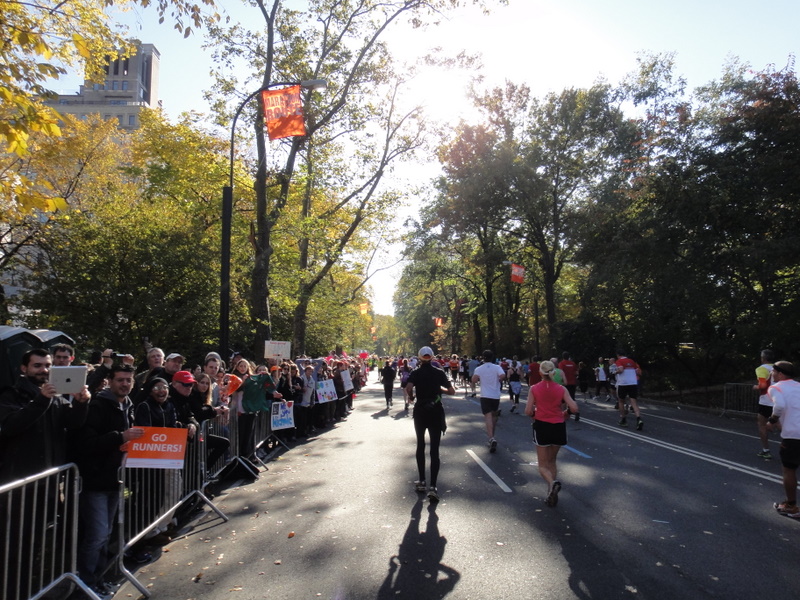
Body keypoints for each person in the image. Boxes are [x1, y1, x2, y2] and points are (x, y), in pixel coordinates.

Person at [69, 364, 144, 594]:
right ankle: (85, 586)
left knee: (106, 534)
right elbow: (86, 444)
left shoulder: (128, 405)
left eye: (128, 380)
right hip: (94, 480)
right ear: (110, 381)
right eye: (120, 380)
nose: (125, 384)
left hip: (114, 479)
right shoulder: (98, 406)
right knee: (97, 535)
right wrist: (120, 436)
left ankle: (97, 580)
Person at [0, 348, 91, 483]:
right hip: (20, 477)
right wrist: (41, 400)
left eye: (48, 366)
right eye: (37, 366)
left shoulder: (56, 397)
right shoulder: (11, 395)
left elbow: (73, 423)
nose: (44, 370)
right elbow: (10, 426)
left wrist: (81, 403)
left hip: (51, 476)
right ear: (24, 368)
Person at [524, 360, 580, 507]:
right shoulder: (561, 389)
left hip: (542, 426)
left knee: (542, 465)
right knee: (552, 461)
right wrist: (565, 412)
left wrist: (534, 415)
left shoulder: (534, 389)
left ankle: (552, 483)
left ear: (540, 372)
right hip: (558, 427)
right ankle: (550, 492)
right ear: (554, 372)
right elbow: (574, 408)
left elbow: (528, 411)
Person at [405, 346, 455, 502]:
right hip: (435, 410)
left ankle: (422, 481)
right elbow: (452, 391)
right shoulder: (439, 373)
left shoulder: (416, 372)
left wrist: (412, 397)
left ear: (419, 358)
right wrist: (440, 390)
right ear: (432, 357)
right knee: (435, 449)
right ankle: (433, 487)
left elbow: (408, 387)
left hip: (420, 411)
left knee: (420, 444)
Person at [766, 361, 800, 518]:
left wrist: (771, 421)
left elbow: (779, 406)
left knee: (789, 470)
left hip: (794, 436)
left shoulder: (775, 388)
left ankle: (791, 506)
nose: (771, 374)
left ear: (780, 373)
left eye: (773, 371)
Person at [471, 350, 506, 453]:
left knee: (488, 416)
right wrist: (499, 379)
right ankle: (492, 436)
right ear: (492, 357)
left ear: (483, 358)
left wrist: (479, 378)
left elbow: (473, 379)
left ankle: (491, 438)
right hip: (495, 395)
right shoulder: (497, 367)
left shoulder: (479, 368)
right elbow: (503, 376)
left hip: (485, 395)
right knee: (494, 416)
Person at [754, 349, 776, 459]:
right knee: (784, 426)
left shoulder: (761, 369)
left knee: (762, 425)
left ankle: (766, 450)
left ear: (763, 358)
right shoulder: (779, 368)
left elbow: (762, 385)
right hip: (780, 400)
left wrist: (755, 387)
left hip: (766, 401)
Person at [615, 350, 643, 430]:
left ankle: (623, 419)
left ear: (618, 355)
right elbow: (638, 372)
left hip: (623, 383)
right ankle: (639, 419)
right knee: (633, 402)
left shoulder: (619, 361)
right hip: (633, 383)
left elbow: (621, 370)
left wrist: (615, 372)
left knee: (621, 401)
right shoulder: (632, 361)